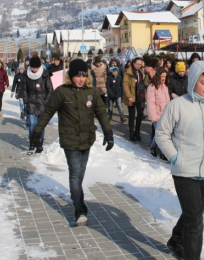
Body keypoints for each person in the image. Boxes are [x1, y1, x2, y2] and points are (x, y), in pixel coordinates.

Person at [155, 61, 204, 260]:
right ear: (193, 81)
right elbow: (161, 134)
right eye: (203, 82)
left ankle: (176, 239)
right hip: (184, 170)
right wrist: (175, 156)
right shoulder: (178, 105)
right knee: (195, 220)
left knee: (193, 213)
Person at [30, 59, 113, 226]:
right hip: (69, 140)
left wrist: (108, 133)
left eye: (83, 76)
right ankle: (79, 208)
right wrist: (36, 132)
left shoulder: (92, 92)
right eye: (77, 76)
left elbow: (101, 114)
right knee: (75, 174)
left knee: (80, 173)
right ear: (70, 76)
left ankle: (77, 198)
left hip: (87, 139)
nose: (81, 79)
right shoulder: (61, 92)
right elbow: (47, 113)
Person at [20, 54, 53, 153]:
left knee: (40, 125)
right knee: (32, 124)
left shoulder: (45, 74)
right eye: (33, 67)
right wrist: (26, 100)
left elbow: (50, 90)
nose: (35, 70)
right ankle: (32, 143)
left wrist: (46, 101)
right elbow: (23, 89)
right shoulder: (26, 74)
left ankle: (39, 143)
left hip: (42, 103)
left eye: (36, 67)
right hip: (31, 103)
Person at [147, 68, 170, 158]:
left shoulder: (165, 86)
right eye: (162, 76)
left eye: (165, 76)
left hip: (165, 114)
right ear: (158, 76)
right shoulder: (152, 87)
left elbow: (167, 101)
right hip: (156, 115)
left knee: (161, 133)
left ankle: (153, 146)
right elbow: (150, 103)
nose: (164, 78)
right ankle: (162, 151)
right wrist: (154, 118)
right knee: (161, 133)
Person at [123, 57, 146, 141]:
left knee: (140, 114)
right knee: (132, 115)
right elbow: (125, 85)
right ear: (133, 63)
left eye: (140, 64)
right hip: (132, 97)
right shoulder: (128, 72)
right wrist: (129, 96)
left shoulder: (140, 71)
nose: (139, 66)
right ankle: (131, 133)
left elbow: (144, 83)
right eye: (137, 64)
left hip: (140, 96)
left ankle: (137, 131)